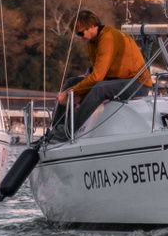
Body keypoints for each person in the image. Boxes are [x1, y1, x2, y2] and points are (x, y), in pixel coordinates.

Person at [54, 9, 152, 139]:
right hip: (115, 80)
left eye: (80, 33)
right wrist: (78, 93)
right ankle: (56, 129)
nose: (79, 37)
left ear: (92, 26)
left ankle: (68, 132)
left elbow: (97, 77)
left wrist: (70, 93)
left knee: (100, 88)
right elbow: (99, 74)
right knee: (71, 82)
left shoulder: (107, 38)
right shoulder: (92, 42)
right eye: (77, 34)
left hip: (138, 84)